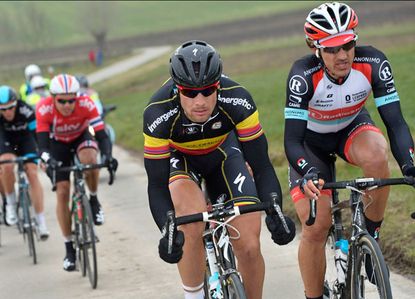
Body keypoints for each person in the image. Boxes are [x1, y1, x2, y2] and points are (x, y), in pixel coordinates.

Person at [143, 40, 296, 299]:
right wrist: (168, 230)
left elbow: (261, 167)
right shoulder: (158, 112)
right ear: (177, 89)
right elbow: (157, 186)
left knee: (248, 245)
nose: (200, 100)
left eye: (208, 91)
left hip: (224, 154)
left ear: (218, 85)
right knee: (191, 222)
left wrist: (274, 208)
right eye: (190, 93)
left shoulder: (238, 98)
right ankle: (194, 295)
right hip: (181, 159)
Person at [284, 3, 415, 299]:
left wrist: (410, 165)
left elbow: (395, 123)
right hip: (309, 142)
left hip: (351, 129)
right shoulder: (302, 76)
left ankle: (372, 236)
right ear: (314, 47)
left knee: (378, 156)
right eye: (331, 49)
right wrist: (307, 171)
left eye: (348, 45)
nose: (342, 55)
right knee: (317, 226)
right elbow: (291, 140)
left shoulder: (373, 62)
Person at [36, 74, 118, 271]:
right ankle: (69, 248)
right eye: (62, 101)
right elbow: (42, 146)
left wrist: (107, 156)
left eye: (71, 100)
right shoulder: (44, 108)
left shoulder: (86, 104)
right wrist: (48, 160)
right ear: (53, 98)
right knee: (63, 191)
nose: (67, 105)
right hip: (57, 144)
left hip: (80, 137)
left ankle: (94, 199)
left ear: (77, 97)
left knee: (90, 159)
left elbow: (101, 134)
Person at [0, 85, 49, 239]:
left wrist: (42, 155)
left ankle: (41, 222)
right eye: (3, 109)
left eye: (10, 107)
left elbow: (37, 134)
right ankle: (11, 205)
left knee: (33, 174)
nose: (7, 112)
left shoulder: (26, 110)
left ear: (16, 103)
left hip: (25, 141)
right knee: (6, 166)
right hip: (6, 142)